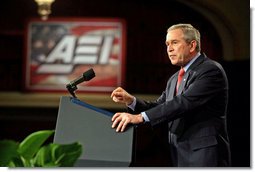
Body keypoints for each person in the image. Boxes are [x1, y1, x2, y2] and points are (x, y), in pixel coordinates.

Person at [110, 23, 231, 167]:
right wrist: (132, 101)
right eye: (167, 44)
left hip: (204, 155)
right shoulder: (174, 78)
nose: (169, 49)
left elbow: (183, 103)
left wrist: (139, 117)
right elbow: (161, 106)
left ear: (192, 45)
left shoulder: (210, 70)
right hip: (180, 154)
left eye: (174, 43)